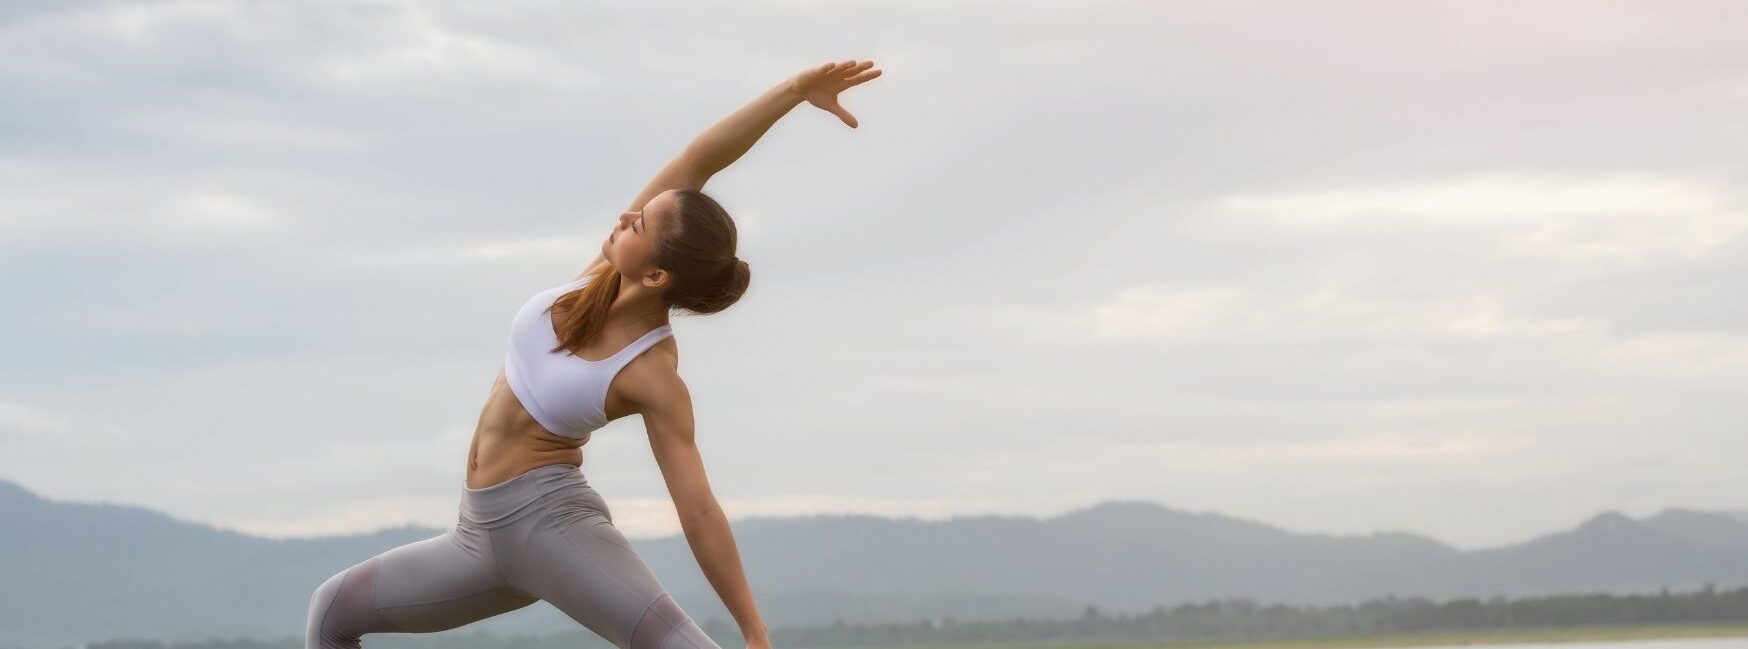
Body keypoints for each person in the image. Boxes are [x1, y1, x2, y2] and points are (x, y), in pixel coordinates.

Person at [306, 58, 882, 649]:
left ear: (656, 275)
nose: (628, 214)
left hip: (552, 529)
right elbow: (698, 160)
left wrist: (755, 635)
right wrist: (790, 92)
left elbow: (700, 512)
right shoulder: (597, 281)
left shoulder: (652, 373)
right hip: (474, 536)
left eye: (642, 224)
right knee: (332, 612)